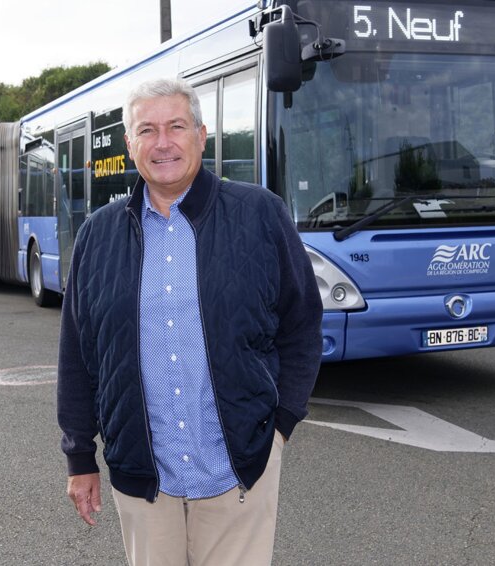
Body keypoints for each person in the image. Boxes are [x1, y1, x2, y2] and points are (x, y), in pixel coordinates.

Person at [57, 77, 323, 566]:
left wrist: (280, 425)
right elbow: (77, 352)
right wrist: (79, 455)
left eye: (176, 126)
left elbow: (302, 324)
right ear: (129, 144)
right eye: (147, 130)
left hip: (238, 467)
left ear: (202, 135)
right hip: (141, 474)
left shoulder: (260, 215)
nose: (163, 143)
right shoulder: (97, 236)